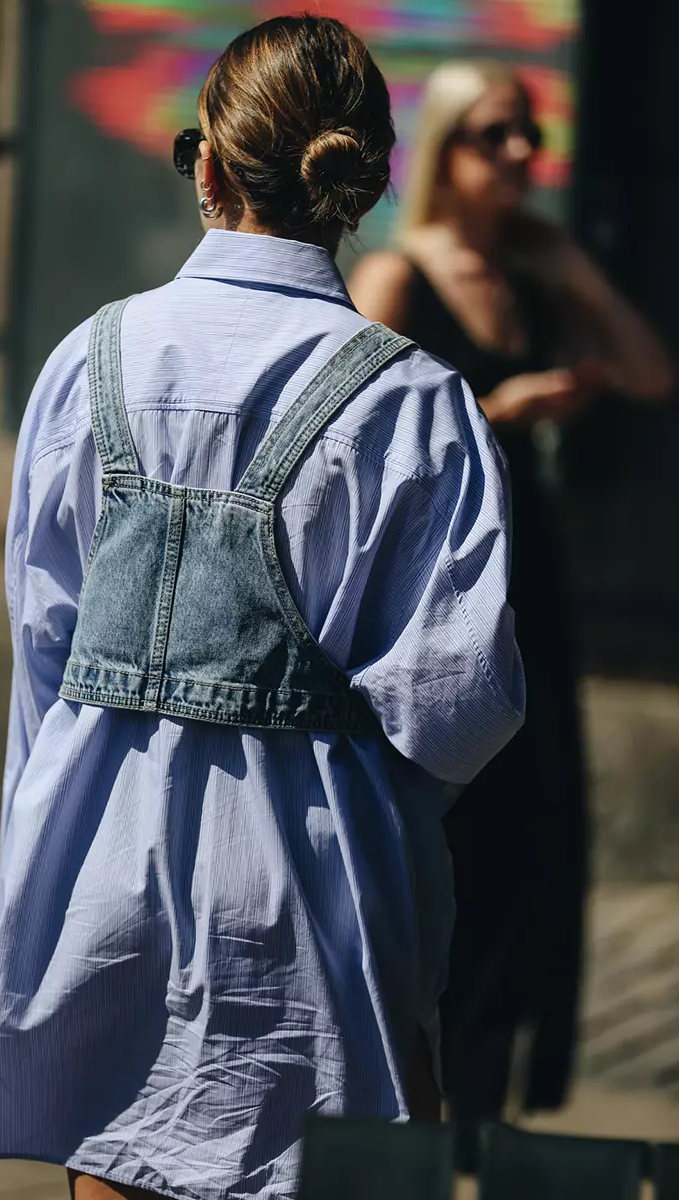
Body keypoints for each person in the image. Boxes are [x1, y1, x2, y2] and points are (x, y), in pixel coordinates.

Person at [0, 23, 524, 1199]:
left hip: (99, 880)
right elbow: (462, 707)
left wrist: (36, 878)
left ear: (206, 167)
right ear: (363, 183)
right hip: (315, 907)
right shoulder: (414, 400)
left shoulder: (87, 361)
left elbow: (44, 660)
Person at [349, 59, 674, 1124]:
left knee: (535, 846)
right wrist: (499, 414)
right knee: (459, 845)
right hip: (435, 588)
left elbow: (645, 371)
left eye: (528, 135)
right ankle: (418, 1103)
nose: (520, 157)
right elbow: (351, 445)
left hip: (526, 578)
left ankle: (485, 1108)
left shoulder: (529, 275)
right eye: (494, 135)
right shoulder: (399, 278)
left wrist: (572, 269)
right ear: (443, 149)